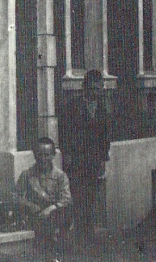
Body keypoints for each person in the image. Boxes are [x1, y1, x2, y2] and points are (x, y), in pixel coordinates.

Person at [59, 69, 110, 241]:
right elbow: (65, 133)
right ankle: (80, 234)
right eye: (93, 88)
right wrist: (67, 155)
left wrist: (103, 159)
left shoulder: (102, 108)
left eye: (99, 89)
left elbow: (105, 136)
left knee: (90, 198)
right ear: (84, 87)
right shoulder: (72, 107)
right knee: (78, 197)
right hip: (77, 160)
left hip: (94, 161)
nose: (96, 92)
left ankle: (88, 234)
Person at [15, 137, 72, 256]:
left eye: (47, 155)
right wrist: (29, 205)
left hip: (54, 212)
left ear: (53, 155)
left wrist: (51, 208)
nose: (43, 159)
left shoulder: (60, 175)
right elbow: (16, 195)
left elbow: (66, 198)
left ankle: (55, 251)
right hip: (35, 213)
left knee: (63, 215)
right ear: (35, 155)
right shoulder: (27, 174)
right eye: (39, 155)